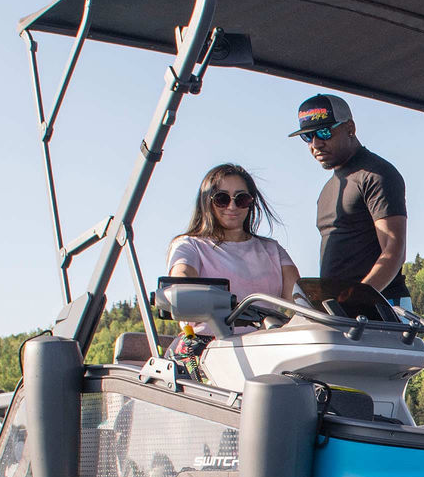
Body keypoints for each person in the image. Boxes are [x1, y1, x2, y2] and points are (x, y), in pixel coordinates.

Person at [290, 94, 411, 312]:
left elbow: (395, 251)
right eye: (307, 137)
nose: (316, 143)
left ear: (350, 128)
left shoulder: (377, 174)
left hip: (382, 306)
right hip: (340, 310)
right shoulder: (328, 189)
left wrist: (357, 299)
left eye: (324, 132)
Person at [165, 164, 298, 326]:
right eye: (222, 199)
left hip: (265, 343)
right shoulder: (190, 245)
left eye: (241, 199)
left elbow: (302, 299)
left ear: (251, 202)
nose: (232, 206)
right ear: (207, 202)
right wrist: (180, 290)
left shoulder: (272, 249)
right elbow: (181, 282)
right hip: (210, 344)